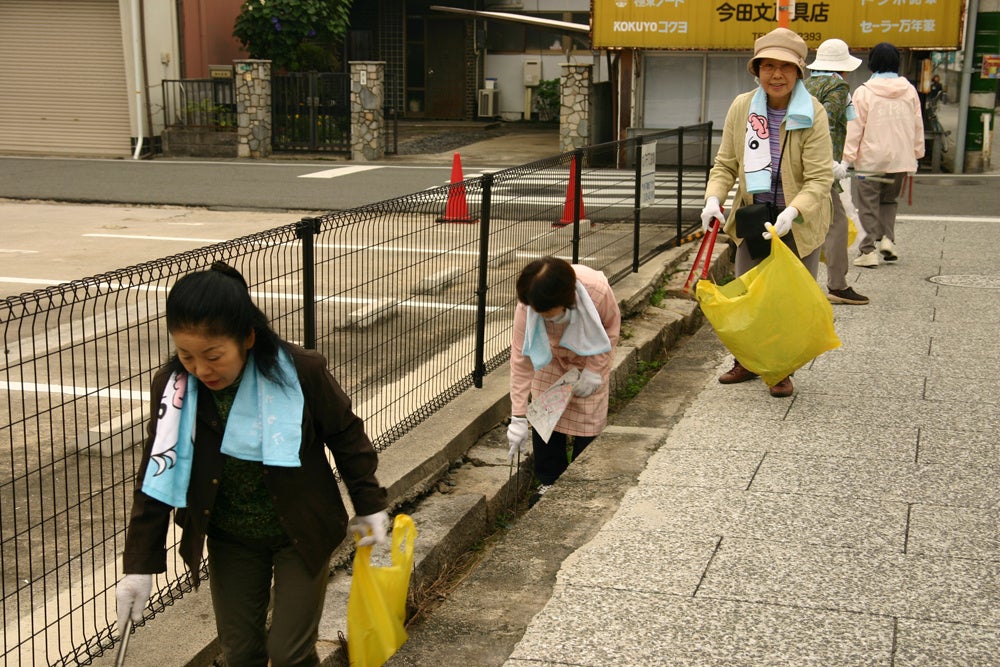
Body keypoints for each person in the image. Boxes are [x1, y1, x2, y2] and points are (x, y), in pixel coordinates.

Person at [115, 262, 389, 667]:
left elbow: (347, 436)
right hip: (231, 535)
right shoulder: (175, 390)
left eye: (213, 355)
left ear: (246, 337)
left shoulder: (299, 371)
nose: (200, 370)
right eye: (185, 355)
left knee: (289, 654)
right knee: (241, 653)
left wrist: (370, 502)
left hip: (300, 530)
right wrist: (139, 565)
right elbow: (156, 475)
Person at [699, 27, 833, 397]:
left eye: (786, 67)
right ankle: (748, 360)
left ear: (799, 71)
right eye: (768, 66)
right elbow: (725, 164)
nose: (776, 75)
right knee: (750, 298)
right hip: (753, 217)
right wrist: (714, 199)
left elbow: (820, 178)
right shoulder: (743, 106)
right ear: (756, 70)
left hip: (798, 222)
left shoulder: (813, 113)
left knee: (790, 301)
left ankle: (781, 369)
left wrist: (794, 211)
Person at [507, 256, 621, 497]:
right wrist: (517, 416)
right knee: (545, 417)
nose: (539, 315)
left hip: (590, 357)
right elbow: (520, 360)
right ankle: (548, 482)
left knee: (588, 419)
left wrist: (594, 371)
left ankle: (582, 484)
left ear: (565, 299)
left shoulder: (596, 290)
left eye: (547, 313)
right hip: (550, 356)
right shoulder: (528, 303)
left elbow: (610, 329)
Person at [842, 42, 925, 268]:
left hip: (870, 160)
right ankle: (887, 239)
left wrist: (846, 158)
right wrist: (917, 152)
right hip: (900, 159)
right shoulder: (909, 91)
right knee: (888, 201)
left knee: (867, 204)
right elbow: (917, 124)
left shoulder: (864, 92)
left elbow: (855, 127)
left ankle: (868, 250)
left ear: (872, 64)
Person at [804, 38, 870, 306]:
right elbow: (827, 123)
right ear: (843, 67)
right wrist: (832, 164)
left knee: (806, 222)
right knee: (836, 223)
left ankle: (805, 282)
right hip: (821, 165)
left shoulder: (807, 83)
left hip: (801, 160)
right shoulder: (838, 86)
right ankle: (837, 285)